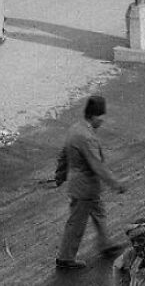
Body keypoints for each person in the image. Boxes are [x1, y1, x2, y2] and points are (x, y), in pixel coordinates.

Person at [54, 95, 127, 270]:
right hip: (84, 189)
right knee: (77, 223)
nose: (102, 121)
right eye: (101, 117)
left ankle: (106, 245)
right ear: (93, 116)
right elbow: (96, 165)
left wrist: (60, 175)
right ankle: (65, 258)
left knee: (100, 214)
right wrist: (115, 183)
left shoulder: (75, 129)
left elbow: (63, 154)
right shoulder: (87, 137)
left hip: (83, 187)